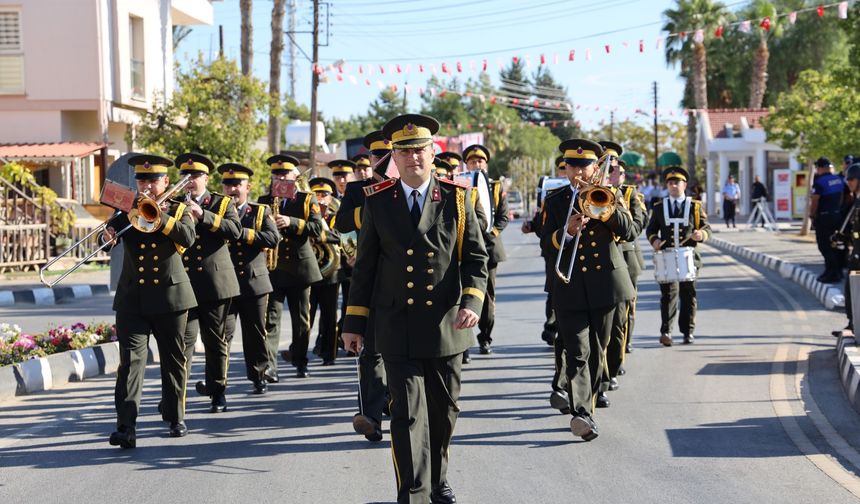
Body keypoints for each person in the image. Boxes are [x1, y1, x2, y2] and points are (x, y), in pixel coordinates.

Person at [342, 113, 488, 504]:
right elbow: (366, 267)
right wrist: (354, 323)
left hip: (445, 324)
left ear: (433, 152)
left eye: (420, 150)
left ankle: (438, 480)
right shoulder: (377, 200)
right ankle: (414, 493)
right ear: (394, 156)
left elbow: (476, 258)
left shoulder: (458, 197)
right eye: (404, 152)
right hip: (396, 325)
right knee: (406, 417)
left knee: (442, 415)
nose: (413, 159)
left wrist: (472, 300)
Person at [540, 139, 637, 440]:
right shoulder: (555, 200)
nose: (578, 171)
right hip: (569, 286)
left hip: (606, 285)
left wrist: (605, 210)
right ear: (566, 168)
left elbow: (631, 232)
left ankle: (588, 408)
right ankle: (581, 413)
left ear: (597, 167)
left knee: (598, 350)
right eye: (573, 165)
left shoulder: (612, 195)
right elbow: (546, 243)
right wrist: (566, 232)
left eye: (585, 165)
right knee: (577, 351)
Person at [107, 154, 198, 448]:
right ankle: (126, 426)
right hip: (133, 298)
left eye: (153, 181)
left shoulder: (180, 209)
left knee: (173, 360)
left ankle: (175, 416)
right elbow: (108, 235)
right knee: (130, 363)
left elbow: (188, 236)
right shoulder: (126, 208)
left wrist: (161, 217)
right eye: (142, 180)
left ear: (166, 182)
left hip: (171, 297)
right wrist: (106, 237)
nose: (146, 186)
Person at [174, 153, 242, 414]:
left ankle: (218, 391)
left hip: (215, 282)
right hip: (184, 283)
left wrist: (203, 215)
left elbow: (234, 231)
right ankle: (177, 398)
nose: (189, 182)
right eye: (185, 177)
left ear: (205, 178)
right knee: (184, 342)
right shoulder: (174, 202)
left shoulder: (221, 202)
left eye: (194, 177)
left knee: (215, 340)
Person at [336, 130, 390, 442]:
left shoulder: (406, 187)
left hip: (400, 281)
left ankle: (391, 403)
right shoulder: (358, 190)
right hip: (369, 279)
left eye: (385, 156)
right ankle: (370, 417)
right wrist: (373, 204)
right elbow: (342, 224)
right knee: (370, 352)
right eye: (375, 156)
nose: (380, 162)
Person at [259, 154, 324, 379]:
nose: (281, 178)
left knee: (301, 319)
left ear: (295, 176)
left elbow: (318, 229)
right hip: (273, 269)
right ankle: (270, 366)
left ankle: (301, 360)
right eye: (277, 174)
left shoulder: (307, 199)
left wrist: (291, 222)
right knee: (271, 319)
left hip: (299, 268)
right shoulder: (264, 199)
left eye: (285, 174)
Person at [219, 163, 280, 394]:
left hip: (253, 281)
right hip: (225, 281)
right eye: (228, 185)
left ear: (248, 187)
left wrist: (241, 233)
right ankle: (219, 381)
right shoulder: (217, 210)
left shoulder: (259, 211)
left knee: (255, 332)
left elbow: (273, 238)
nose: (232, 189)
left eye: (237, 185)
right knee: (223, 333)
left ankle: (259, 375)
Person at [646, 153, 711, 346]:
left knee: (688, 294)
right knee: (668, 295)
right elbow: (651, 230)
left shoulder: (695, 207)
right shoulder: (659, 207)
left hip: (689, 256)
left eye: (677, 182)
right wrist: (655, 240)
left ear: (684, 185)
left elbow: (707, 227)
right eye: (670, 183)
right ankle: (666, 331)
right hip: (667, 257)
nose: (673, 186)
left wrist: (701, 235)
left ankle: (687, 331)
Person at [600, 142, 647, 408]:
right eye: (604, 166)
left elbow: (638, 224)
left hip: (626, 260)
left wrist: (621, 219)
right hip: (600, 262)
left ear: (620, 172)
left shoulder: (630, 194)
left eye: (613, 168)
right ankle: (602, 375)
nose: (610, 172)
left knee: (620, 318)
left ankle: (614, 365)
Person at [463, 143, 508, 355]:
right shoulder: (460, 185)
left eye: (480, 161)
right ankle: (463, 344)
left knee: (487, 297)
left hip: (489, 247)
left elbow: (503, 217)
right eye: (472, 162)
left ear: (486, 164)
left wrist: (489, 234)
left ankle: (485, 337)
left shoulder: (496, 187)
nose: (476, 164)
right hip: (464, 249)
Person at [308, 176, 342, 365]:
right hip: (309, 271)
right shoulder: (306, 213)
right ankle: (300, 353)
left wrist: (320, 226)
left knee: (329, 316)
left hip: (331, 272)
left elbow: (340, 236)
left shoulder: (336, 214)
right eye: (316, 194)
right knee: (307, 315)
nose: (321, 198)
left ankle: (330, 353)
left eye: (325, 194)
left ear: (331, 197)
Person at [810, 157, 847, 283]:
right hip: (837, 216)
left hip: (824, 217)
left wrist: (812, 215)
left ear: (820, 168)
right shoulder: (838, 180)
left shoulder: (819, 182)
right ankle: (835, 271)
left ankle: (832, 272)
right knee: (836, 244)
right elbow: (842, 197)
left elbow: (815, 200)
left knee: (824, 245)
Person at [833, 163, 860, 337]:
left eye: (851, 179)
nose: (848, 182)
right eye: (847, 179)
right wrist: (841, 237)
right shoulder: (856, 200)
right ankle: (853, 324)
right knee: (851, 290)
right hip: (856, 250)